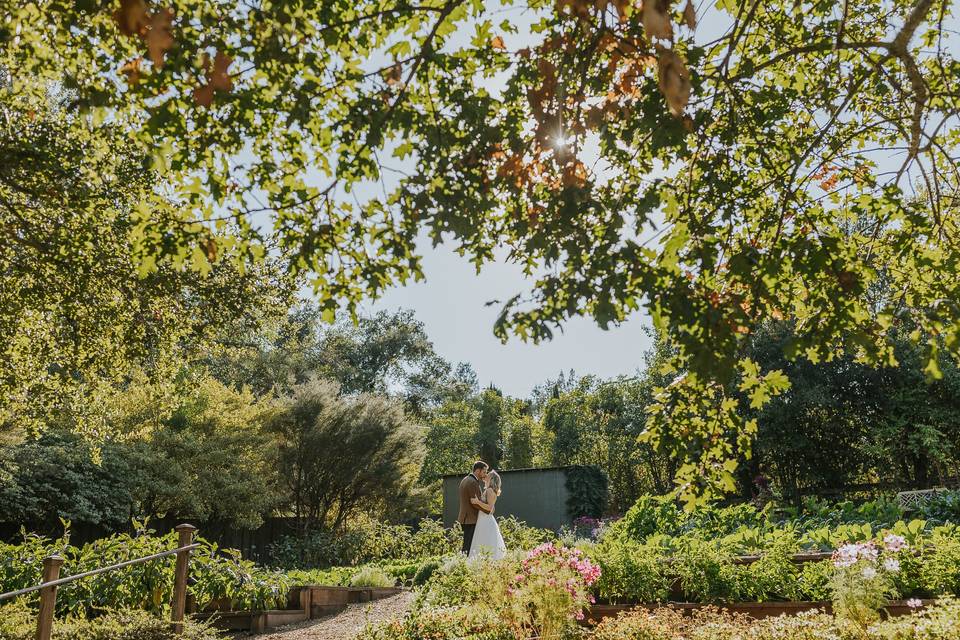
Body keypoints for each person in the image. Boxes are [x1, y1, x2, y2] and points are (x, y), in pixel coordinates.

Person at [469, 469, 507, 560]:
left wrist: (477, 502)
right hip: (484, 518)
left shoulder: (490, 490)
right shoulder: (490, 490)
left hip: (485, 520)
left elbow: (489, 508)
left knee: (484, 540)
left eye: (488, 475)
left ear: (491, 478)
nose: (486, 475)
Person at [457, 461, 488, 554]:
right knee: (468, 545)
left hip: (466, 517)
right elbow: (475, 502)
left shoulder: (465, 479)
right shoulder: (472, 482)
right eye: (484, 472)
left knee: (468, 543)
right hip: (471, 518)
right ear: (478, 471)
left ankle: (464, 562)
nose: (485, 475)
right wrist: (487, 510)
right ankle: (464, 564)